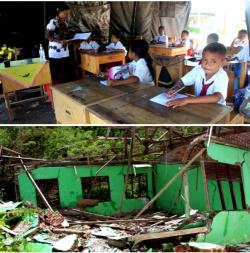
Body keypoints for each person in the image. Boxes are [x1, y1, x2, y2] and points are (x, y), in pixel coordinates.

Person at [167, 42, 228, 107]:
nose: (207, 64)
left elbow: (216, 97)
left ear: (223, 63)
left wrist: (186, 100)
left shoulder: (222, 76)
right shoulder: (198, 69)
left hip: (217, 109)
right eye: (205, 59)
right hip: (199, 106)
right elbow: (182, 82)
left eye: (213, 61)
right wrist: (175, 88)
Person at [46, 4, 74, 84]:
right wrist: (59, 41)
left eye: (68, 13)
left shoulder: (65, 23)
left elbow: (66, 34)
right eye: (65, 13)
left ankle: (64, 85)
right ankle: (57, 88)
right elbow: (48, 36)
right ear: (60, 12)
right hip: (56, 51)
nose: (67, 15)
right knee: (57, 69)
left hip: (64, 49)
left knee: (64, 69)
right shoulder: (53, 22)